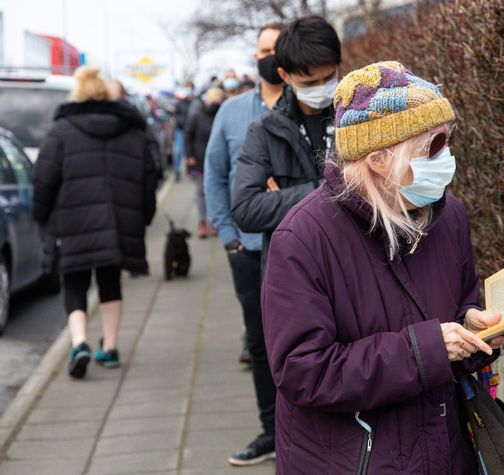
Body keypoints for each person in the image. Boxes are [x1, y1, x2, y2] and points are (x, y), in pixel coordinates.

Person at [261, 62, 504, 474]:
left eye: (447, 142)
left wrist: (475, 331)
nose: (446, 158)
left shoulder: (448, 215)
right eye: (432, 147)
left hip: (444, 451)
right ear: (379, 158)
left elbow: (453, 314)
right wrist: (429, 348)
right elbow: (303, 372)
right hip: (353, 459)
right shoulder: (303, 237)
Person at [32, 65, 158, 379]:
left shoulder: (60, 131)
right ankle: (111, 346)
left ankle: (79, 343)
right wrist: (144, 215)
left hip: (72, 220)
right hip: (118, 220)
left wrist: (41, 214)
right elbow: (149, 176)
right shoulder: (132, 130)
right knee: (110, 282)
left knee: (74, 281)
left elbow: (44, 179)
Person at [203, 21, 284, 467]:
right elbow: (215, 175)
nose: (266, 57)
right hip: (248, 250)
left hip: (296, 248)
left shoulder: (305, 110)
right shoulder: (232, 112)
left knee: (303, 340)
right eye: (261, 49)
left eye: (274, 49)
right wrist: (228, 236)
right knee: (258, 342)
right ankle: (271, 430)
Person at [230, 15, 341, 258]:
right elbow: (246, 210)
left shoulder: (358, 115)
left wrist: (286, 198)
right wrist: (336, 189)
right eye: (310, 82)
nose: (323, 88)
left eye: (329, 77)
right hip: (296, 264)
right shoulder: (265, 131)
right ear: (285, 75)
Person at [185, 87, 223, 238]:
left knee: (215, 192)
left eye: (217, 98)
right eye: (211, 97)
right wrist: (189, 155)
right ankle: (202, 222)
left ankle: (214, 221)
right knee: (201, 192)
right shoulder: (196, 114)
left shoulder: (222, 115)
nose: (214, 101)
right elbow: (188, 135)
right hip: (199, 159)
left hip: (217, 161)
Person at [173, 81, 195, 181]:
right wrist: (184, 123)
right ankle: (177, 170)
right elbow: (176, 116)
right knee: (179, 152)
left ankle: (191, 170)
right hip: (181, 130)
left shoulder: (196, 102)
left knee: (190, 151)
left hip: (192, 131)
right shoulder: (180, 103)